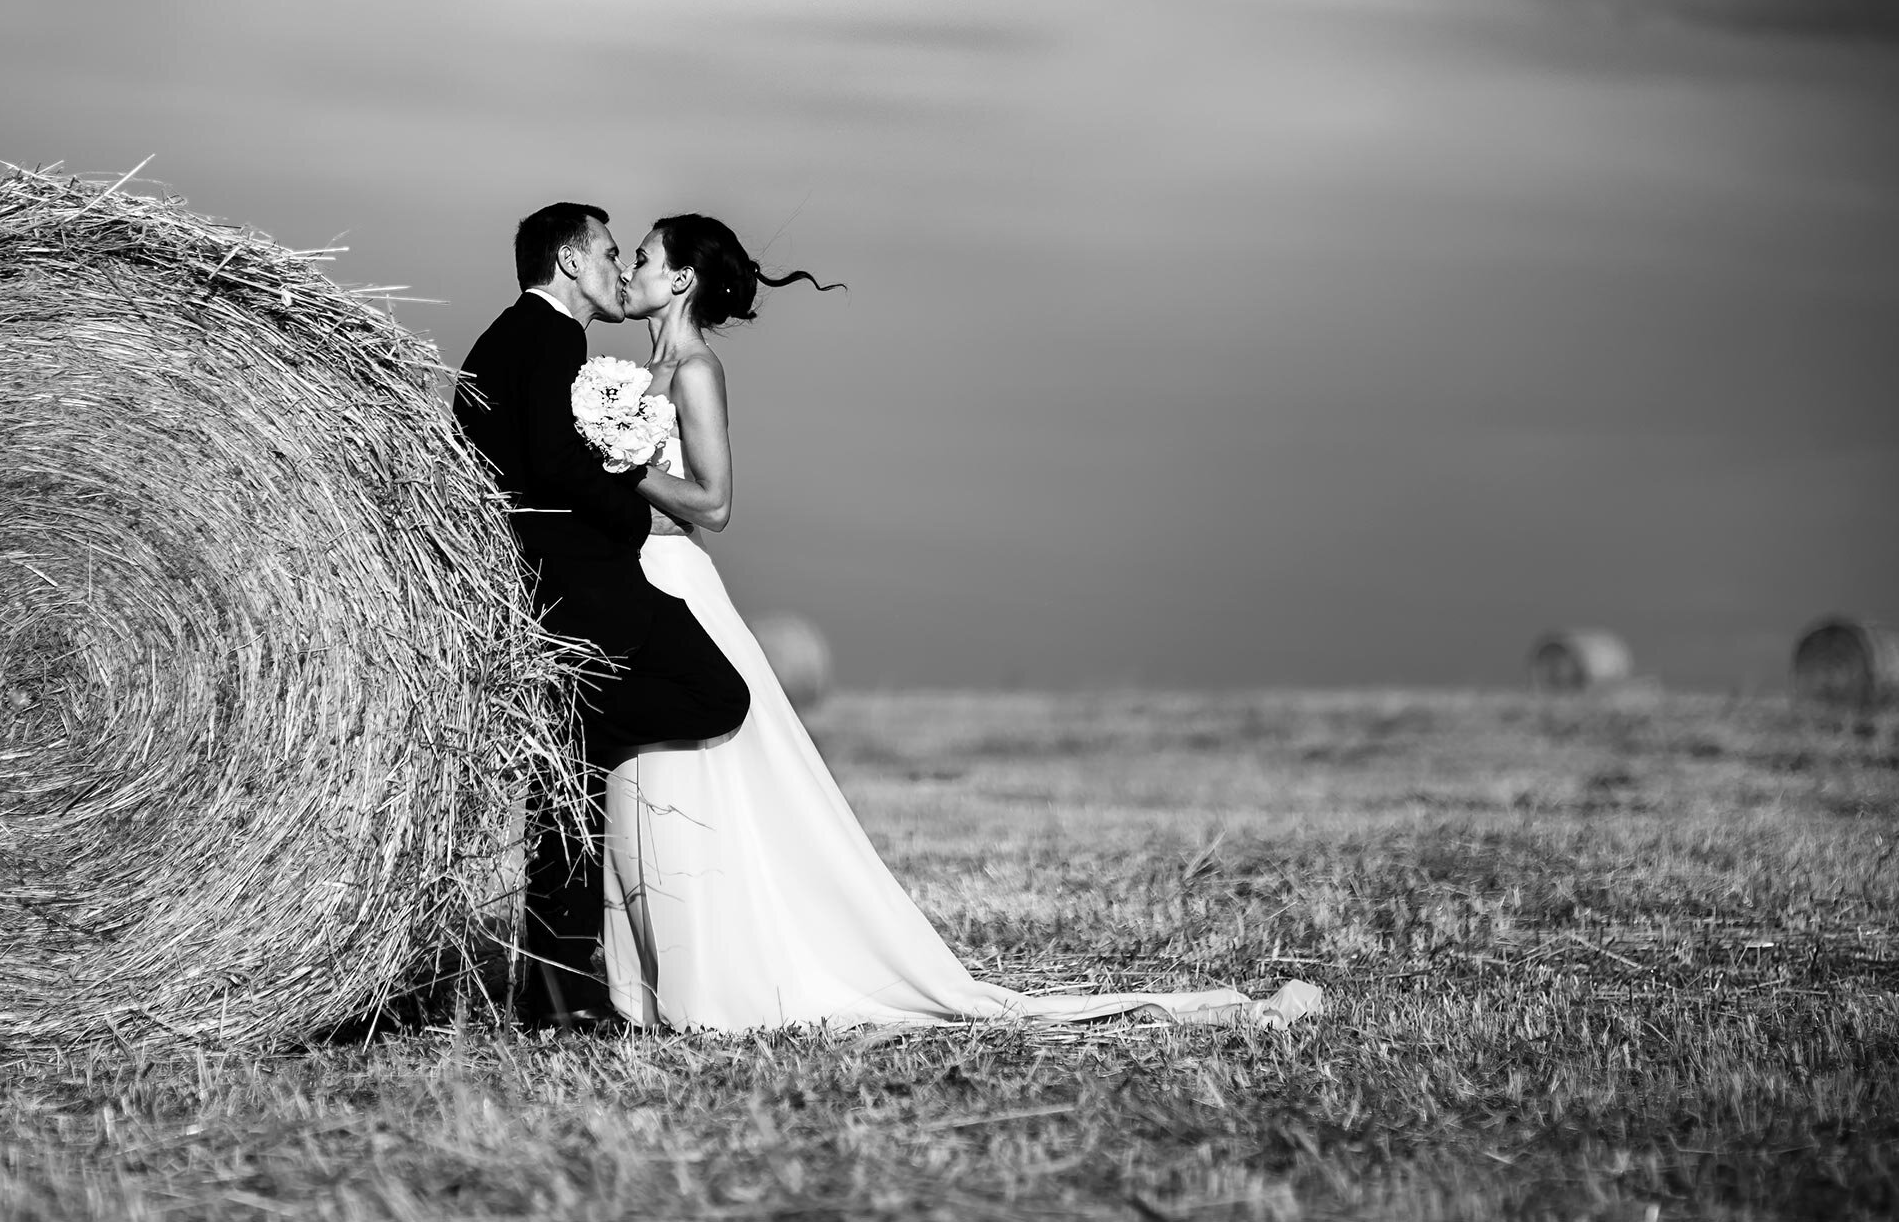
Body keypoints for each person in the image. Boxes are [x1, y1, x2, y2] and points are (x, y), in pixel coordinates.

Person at [601, 214, 1321, 1031]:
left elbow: (717, 504)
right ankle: (647, 980)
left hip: (677, 576)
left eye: (645, 257)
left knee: (693, 780)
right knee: (642, 785)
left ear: (683, 278)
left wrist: (623, 472)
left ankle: (718, 977)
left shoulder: (696, 368)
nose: (631, 267)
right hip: (633, 575)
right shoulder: (638, 371)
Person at [454, 203, 750, 1030]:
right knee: (703, 701)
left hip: (564, 585)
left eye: (638, 257)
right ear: (570, 260)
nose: (622, 269)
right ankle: (561, 989)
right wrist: (624, 507)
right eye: (614, 253)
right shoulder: (549, 338)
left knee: (569, 786)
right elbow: (550, 464)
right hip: (588, 585)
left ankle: (555, 990)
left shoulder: (515, 340)